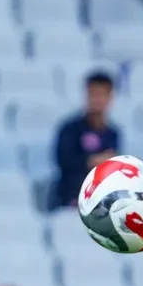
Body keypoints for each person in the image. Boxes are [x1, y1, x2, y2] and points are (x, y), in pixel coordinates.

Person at [51, 71, 120, 210]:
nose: (97, 99)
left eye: (102, 94)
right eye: (94, 94)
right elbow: (63, 161)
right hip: (70, 197)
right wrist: (91, 161)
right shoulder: (69, 128)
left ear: (110, 97)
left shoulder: (113, 133)